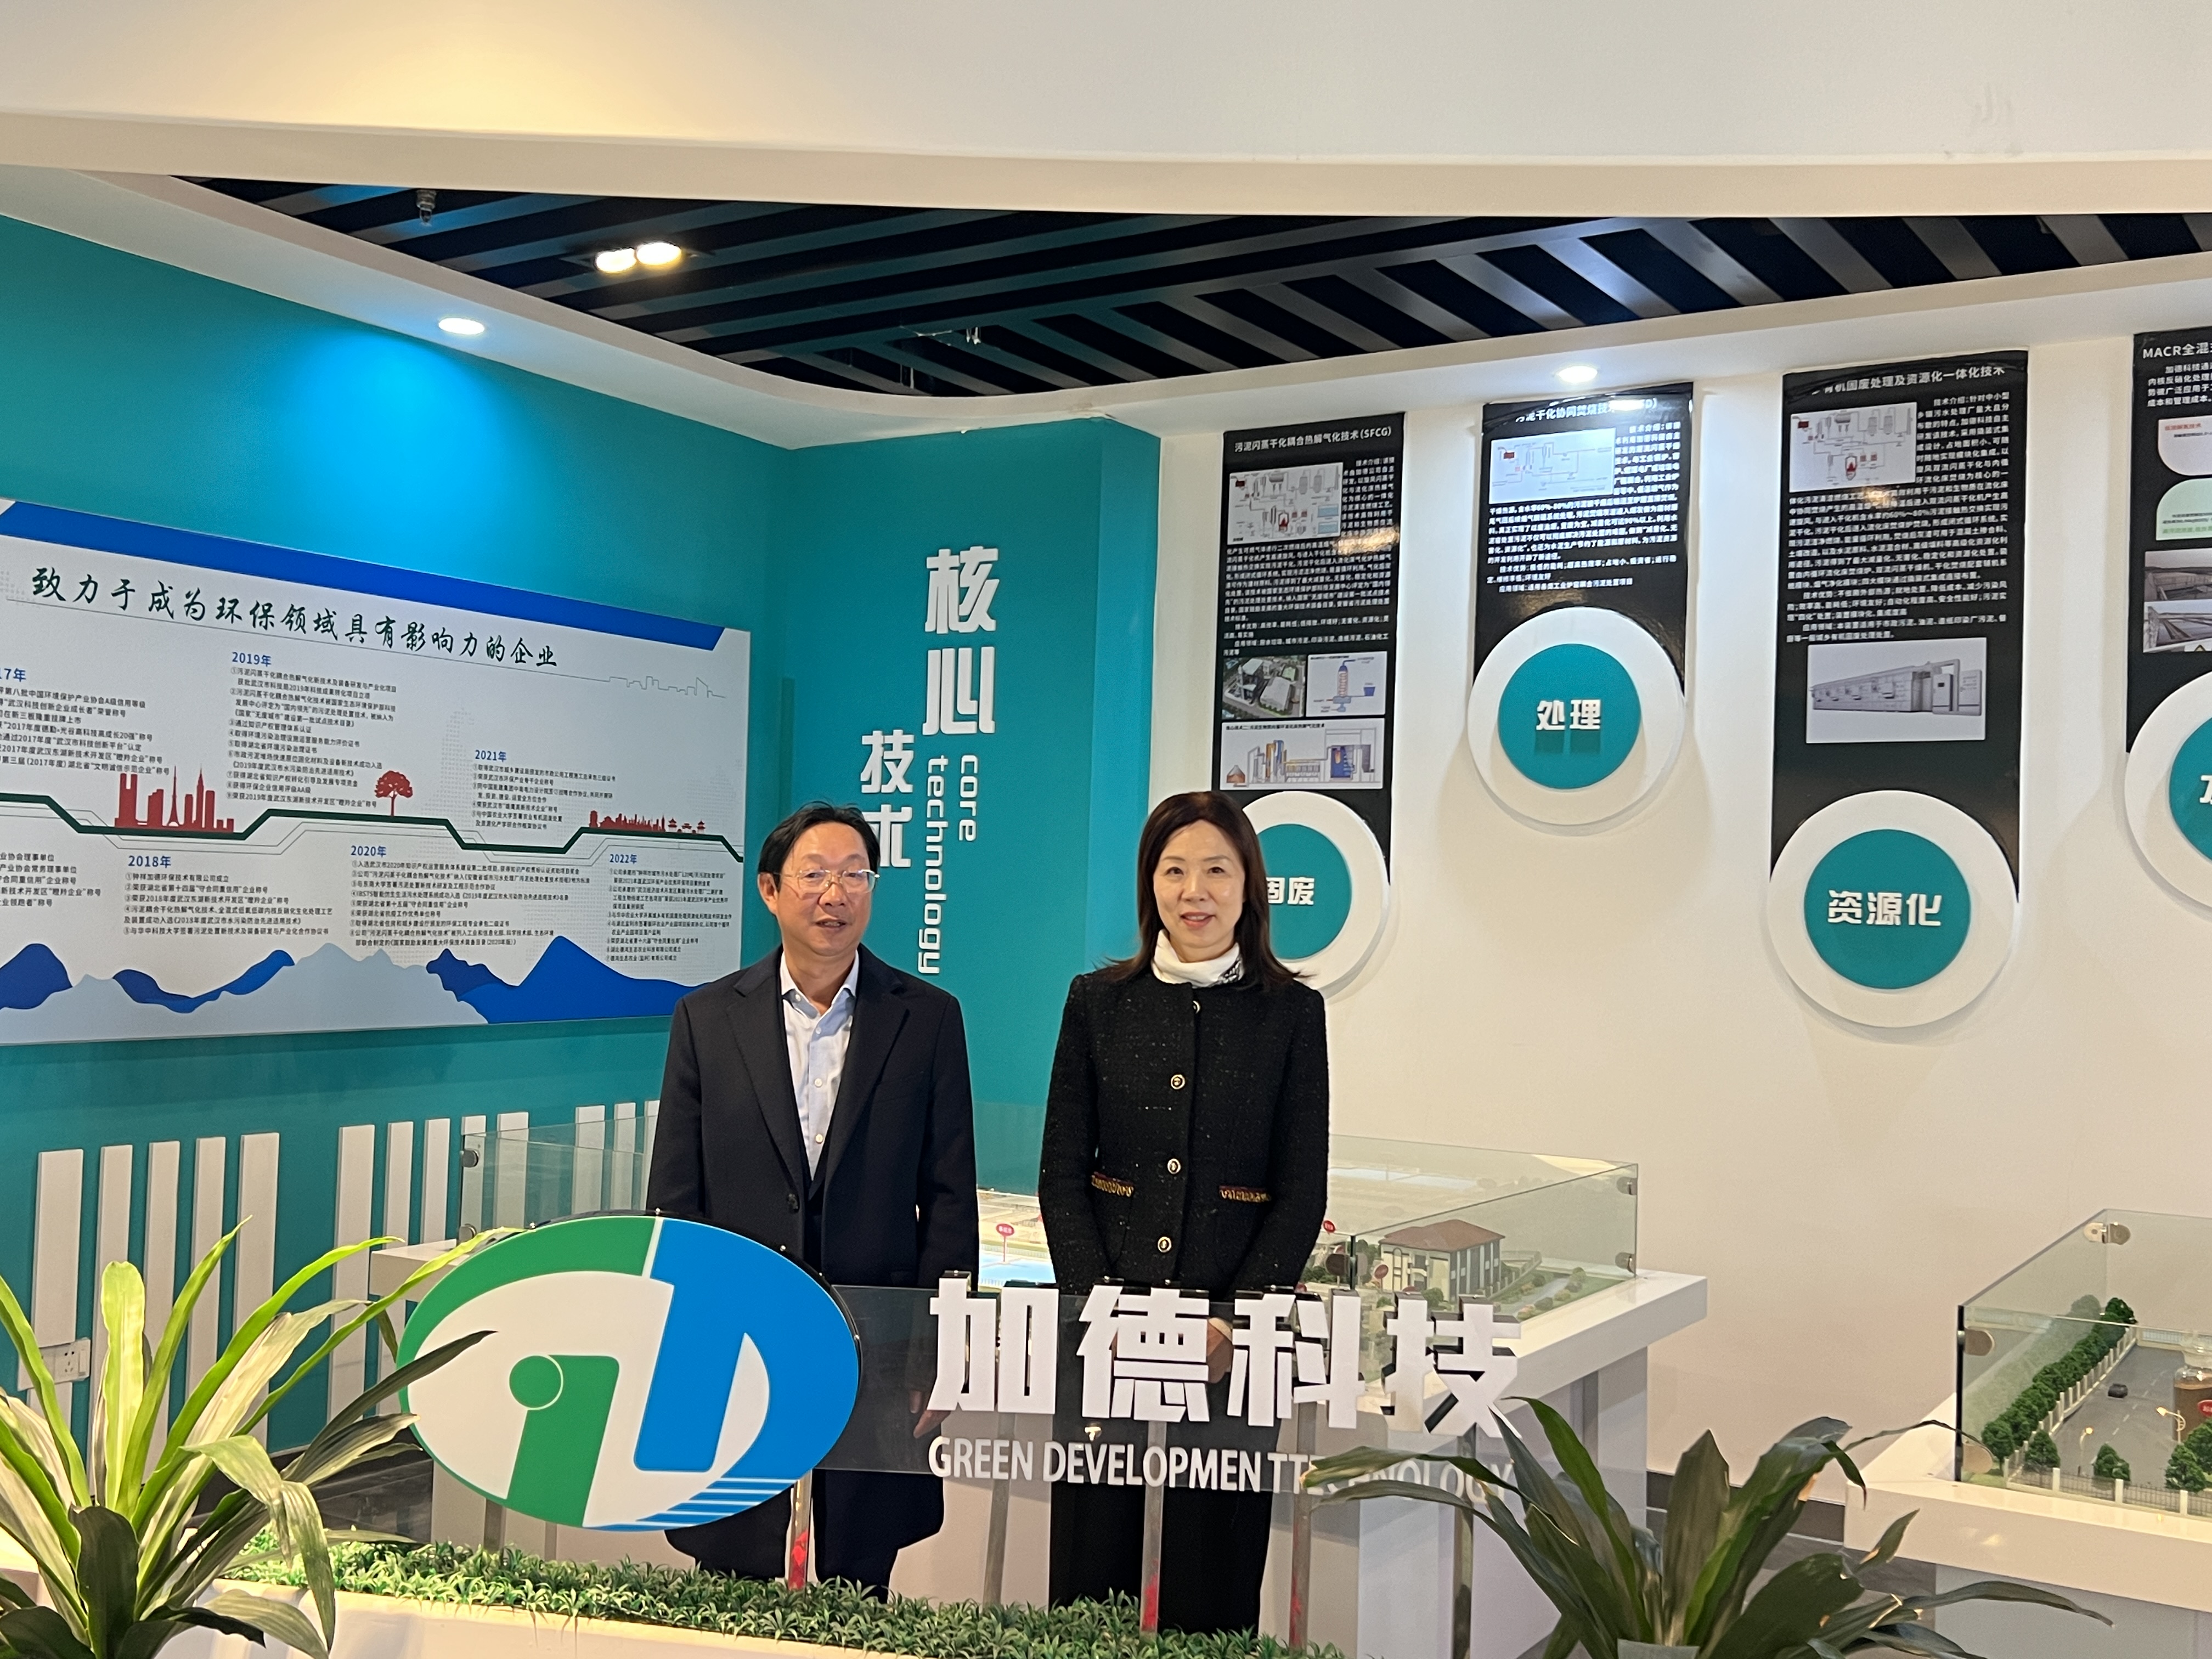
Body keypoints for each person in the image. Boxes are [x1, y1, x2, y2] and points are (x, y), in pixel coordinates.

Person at [648, 802, 979, 1595]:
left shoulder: (928, 1019)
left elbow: (949, 1200)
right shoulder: (706, 1019)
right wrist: (684, 1342)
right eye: (815, 876)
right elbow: (676, 1197)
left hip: (876, 1343)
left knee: (859, 1574)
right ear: (770, 890)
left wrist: (934, 1350)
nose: (836, 896)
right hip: (738, 1338)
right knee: (732, 1564)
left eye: (856, 876)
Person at [1037, 791, 1329, 1633]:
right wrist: (1103, 1307)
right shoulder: (1098, 1001)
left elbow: (1300, 1191)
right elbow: (1062, 1174)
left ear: (1249, 887)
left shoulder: (1290, 1013)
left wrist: (1234, 1321)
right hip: (1107, 1331)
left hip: (1232, 1341)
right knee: (1093, 1574)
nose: (1193, 891)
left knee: (1213, 1576)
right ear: (1150, 885)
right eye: (1173, 871)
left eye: (1215, 871)